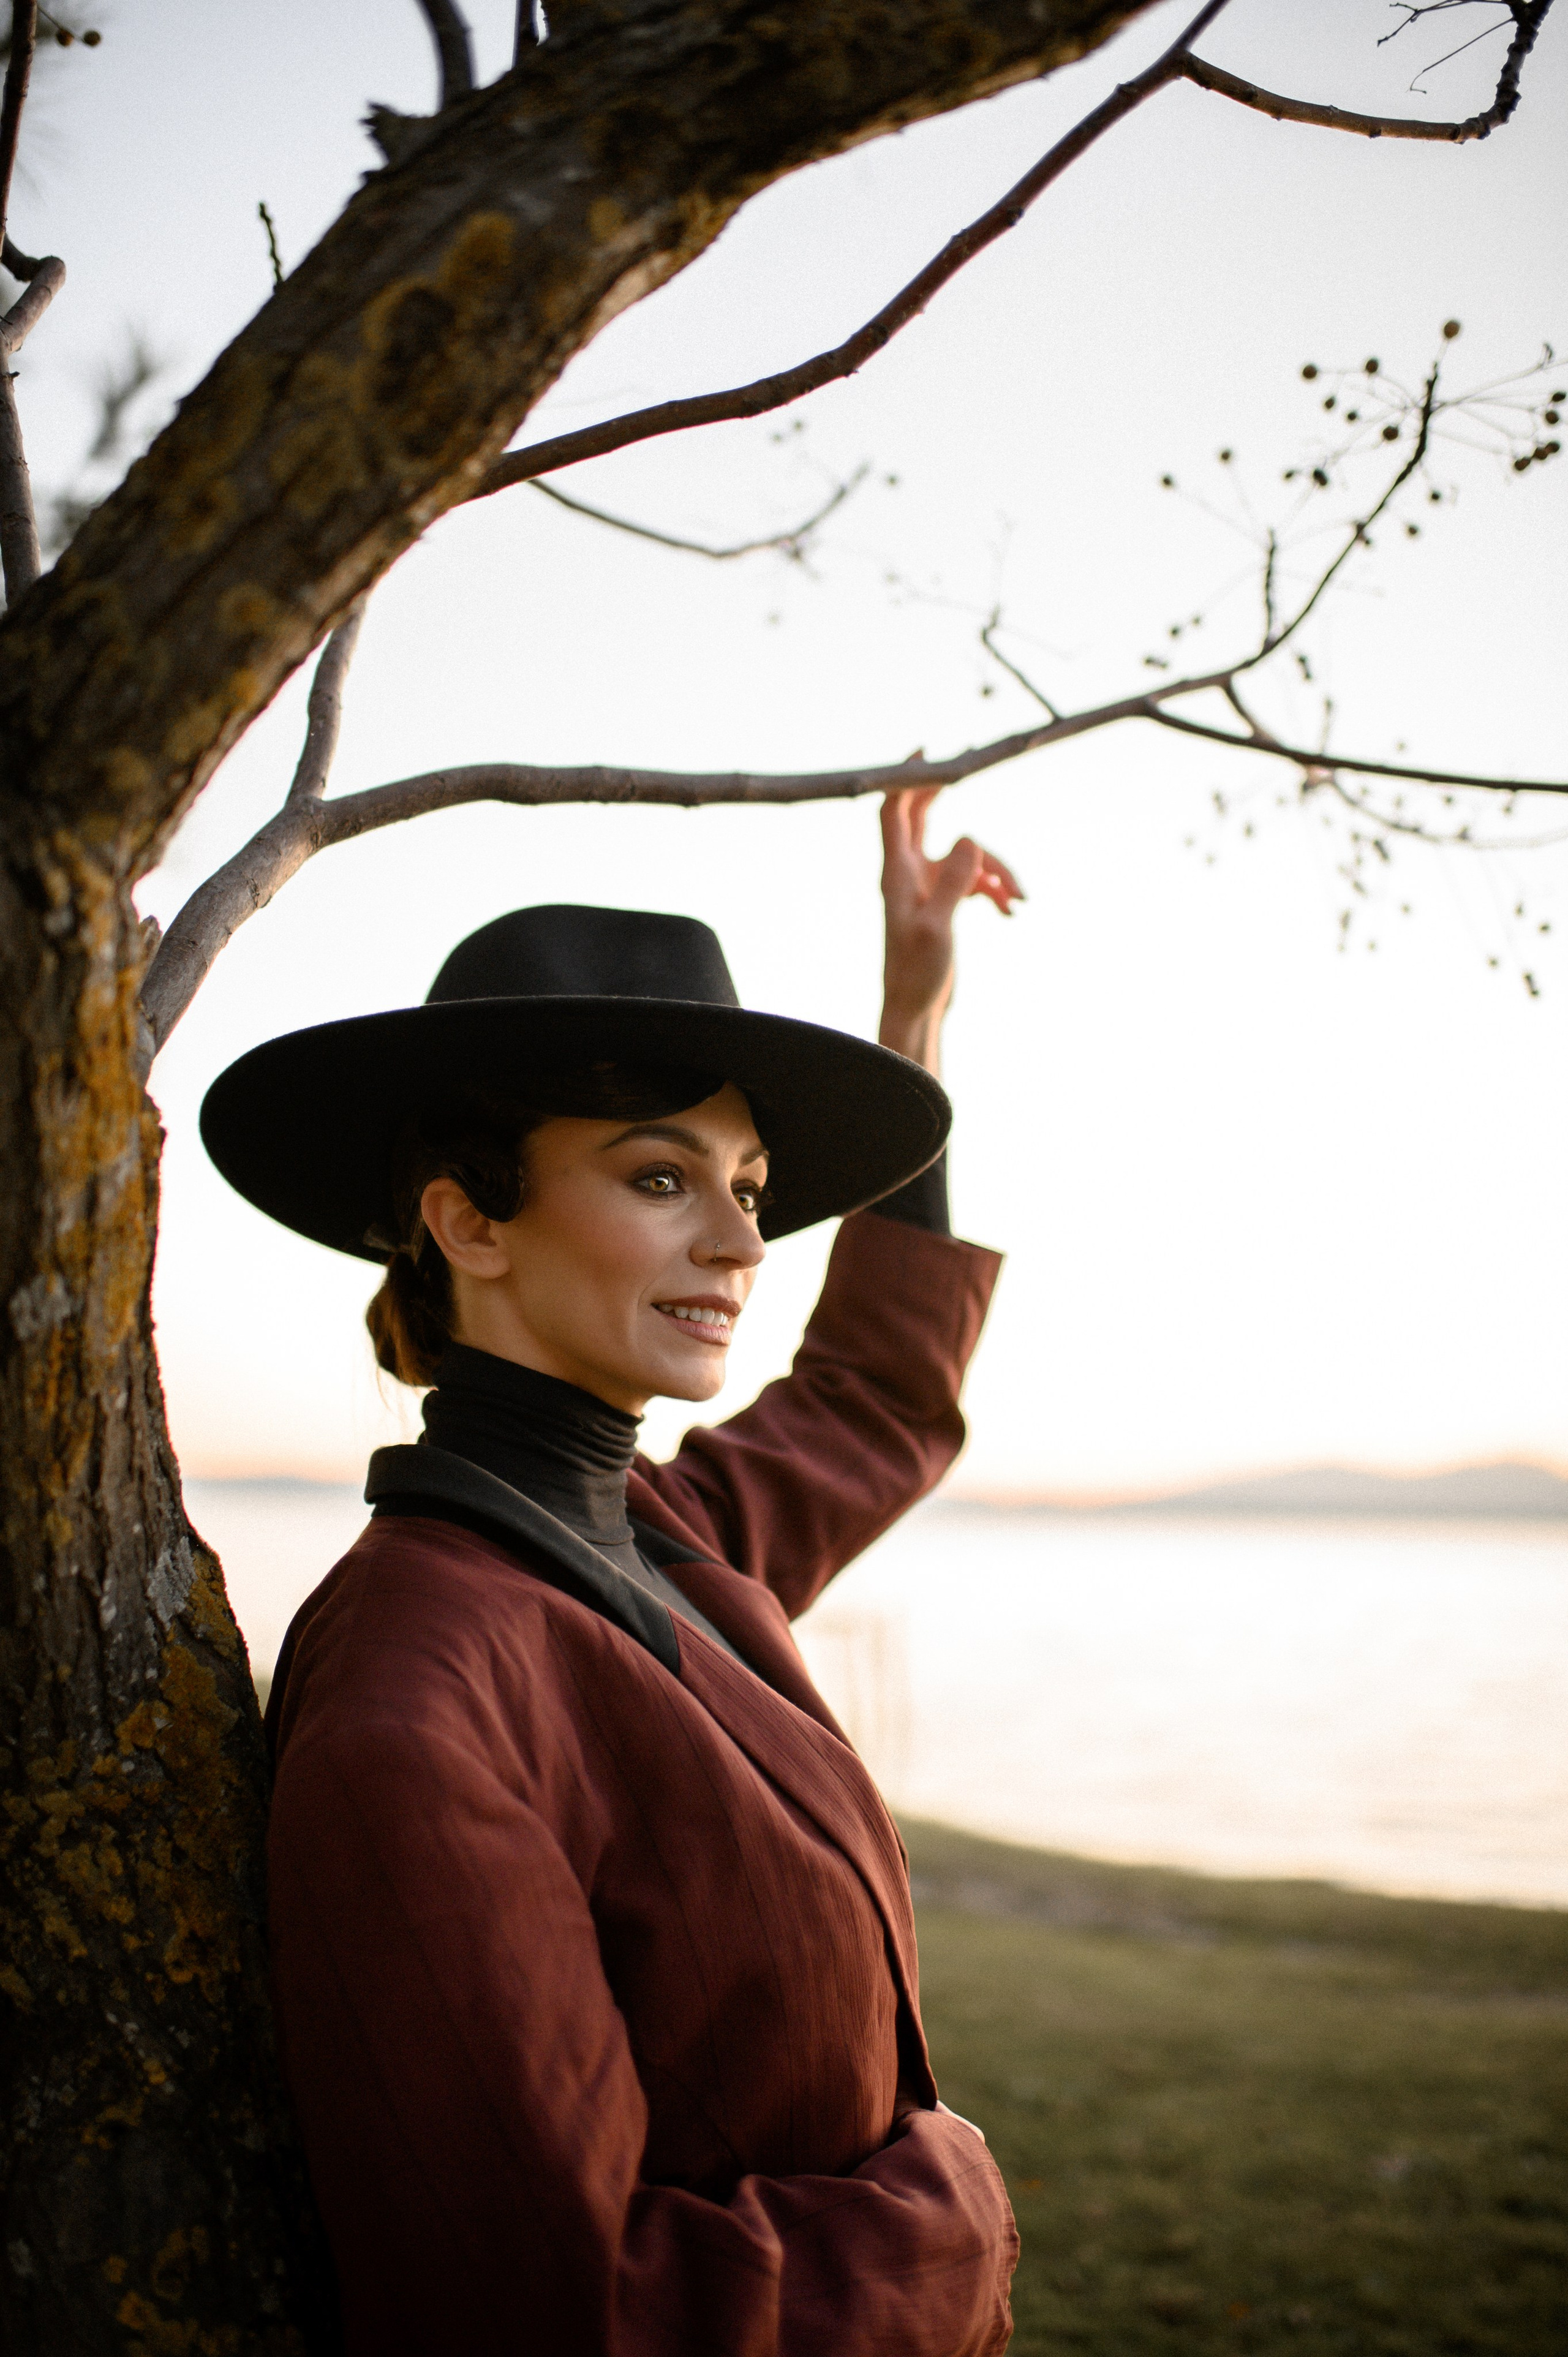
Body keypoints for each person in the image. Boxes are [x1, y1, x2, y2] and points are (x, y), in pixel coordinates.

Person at [200, 789, 1023, 2357]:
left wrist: (912, 1014)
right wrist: (949, 2226)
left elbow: (873, 1400)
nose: (741, 1243)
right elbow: (555, 2314)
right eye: (660, 1178)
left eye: (749, 1185)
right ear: (468, 1222)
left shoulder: (660, 1536)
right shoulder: (420, 1700)